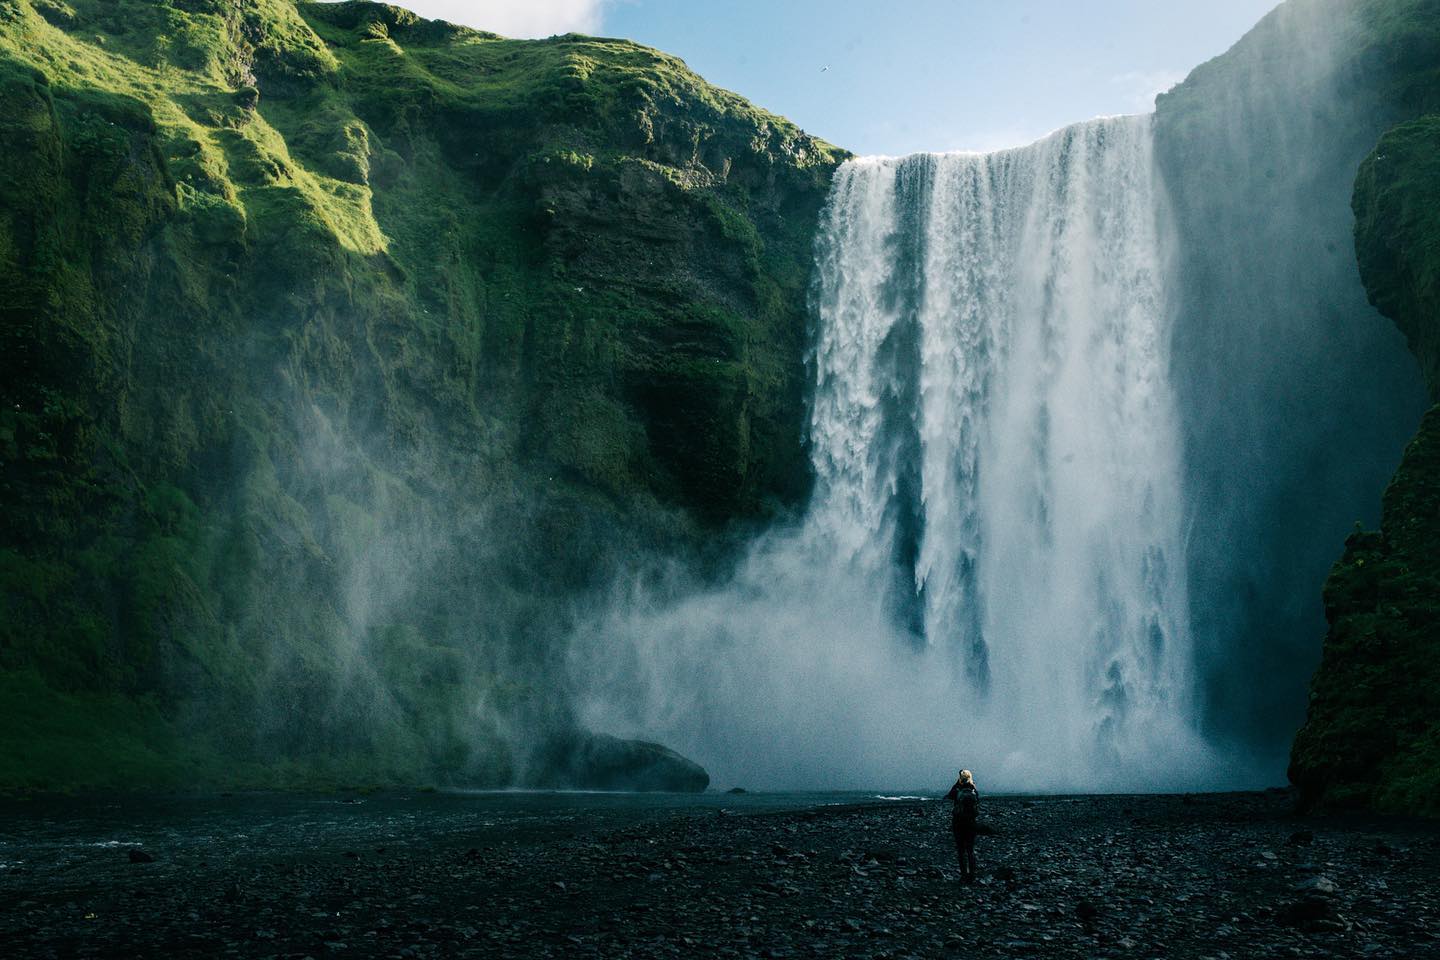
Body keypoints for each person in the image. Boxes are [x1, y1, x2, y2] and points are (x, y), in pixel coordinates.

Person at [944, 768, 980, 882]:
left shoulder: (957, 789)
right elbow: (977, 803)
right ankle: (972, 875)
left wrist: (957, 783)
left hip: (958, 822)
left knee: (961, 850)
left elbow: (949, 796)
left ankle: (964, 875)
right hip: (971, 822)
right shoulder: (973, 790)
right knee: (970, 850)